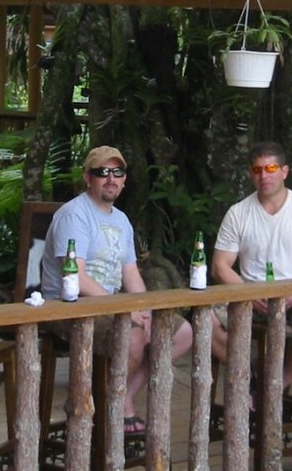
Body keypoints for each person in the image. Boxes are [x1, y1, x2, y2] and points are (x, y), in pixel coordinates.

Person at [41, 145, 192, 433]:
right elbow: (78, 278)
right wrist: (126, 310)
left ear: (124, 179)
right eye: (102, 172)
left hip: (110, 306)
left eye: (117, 172)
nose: (110, 178)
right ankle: (116, 409)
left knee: (182, 332)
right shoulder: (74, 215)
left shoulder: (121, 220)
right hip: (68, 305)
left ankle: (121, 395)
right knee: (132, 334)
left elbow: (131, 273)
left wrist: (145, 309)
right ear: (88, 178)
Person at [211, 140, 292, 391]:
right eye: (258, 170)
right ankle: (247, 376)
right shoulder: (238, 213)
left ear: (284, 171)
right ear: (250, 173)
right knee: (205, 321)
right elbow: (220, 266)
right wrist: (249, 292)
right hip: (250, 296)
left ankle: (276, 386)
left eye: (270, 169)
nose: (264, 176)